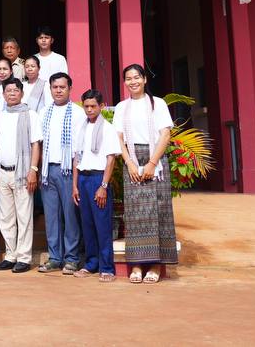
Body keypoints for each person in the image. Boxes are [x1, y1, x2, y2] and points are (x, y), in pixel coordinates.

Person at [116, 64, 178, 284]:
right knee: (135, 215)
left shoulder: (157, 104)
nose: (133, 82)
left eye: (137, 77)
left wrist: (152, 163)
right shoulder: (122, 107)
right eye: (128, 78)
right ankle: (136, 265)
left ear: (144, 79)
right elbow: (119, 138)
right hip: (132, 160)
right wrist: (129, 163)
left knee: (159, 212)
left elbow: (165, 135)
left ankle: (155, 265)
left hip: (156, 160)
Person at [39, 72, 86, 275]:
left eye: (62, 87)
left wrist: (76, 177)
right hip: (47, 170)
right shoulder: (44, 112)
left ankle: (72, 258)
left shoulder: (78, 113)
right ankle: (54, 258)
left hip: (68, 170)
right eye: (55, 87)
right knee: (51, 217)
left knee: (70, 216)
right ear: (50, 89)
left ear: (70, 89)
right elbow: (39, 143)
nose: (58, 91)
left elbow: (79, 148)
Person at [0, 77, 42, 273]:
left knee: (24, 217)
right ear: (3, 94)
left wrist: (33, 170)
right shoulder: (0, 115)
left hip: (22, 173)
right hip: (2, 171)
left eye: (15, 90)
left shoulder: (30, 115)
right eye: (8, 91)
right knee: (6, 217)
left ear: (22, 93)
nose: (12, 93)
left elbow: (35, 144)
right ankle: (10, 255)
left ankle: (24, 257)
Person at [73, 89, 121, 282]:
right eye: (86, 106)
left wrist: (103, 186)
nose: (90, 110)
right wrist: (74, 185)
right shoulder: (81, 127)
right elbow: (76, 158)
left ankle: (107, 268)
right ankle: (91, 264)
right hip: (83, 179)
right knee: (87, 225)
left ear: (101, 106)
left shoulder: (108, 128)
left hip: (98, 179)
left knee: (102, 224)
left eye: (93, 106)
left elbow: (111, 159)